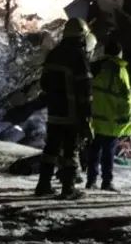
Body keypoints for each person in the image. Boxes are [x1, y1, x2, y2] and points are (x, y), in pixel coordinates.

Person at [34, 18, 93, 199]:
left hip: (54, 111)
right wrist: (86, 115)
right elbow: (85, 89)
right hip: (72, 113)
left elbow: (44, 83)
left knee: (50, 149)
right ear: (81, 36)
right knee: (70, 149)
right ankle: (68, 188)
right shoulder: (78, 56)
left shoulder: (54, 53)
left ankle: (43, 184)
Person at [85, 39, 131, 191]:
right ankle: (107, 181)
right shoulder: (119, 69)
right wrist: (127, 117)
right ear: (119, 53)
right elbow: (125, 96)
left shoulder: (95, 66)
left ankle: (91, 180)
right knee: (109, 152)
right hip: (111, 118)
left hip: (95, 116)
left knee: (94, 149)